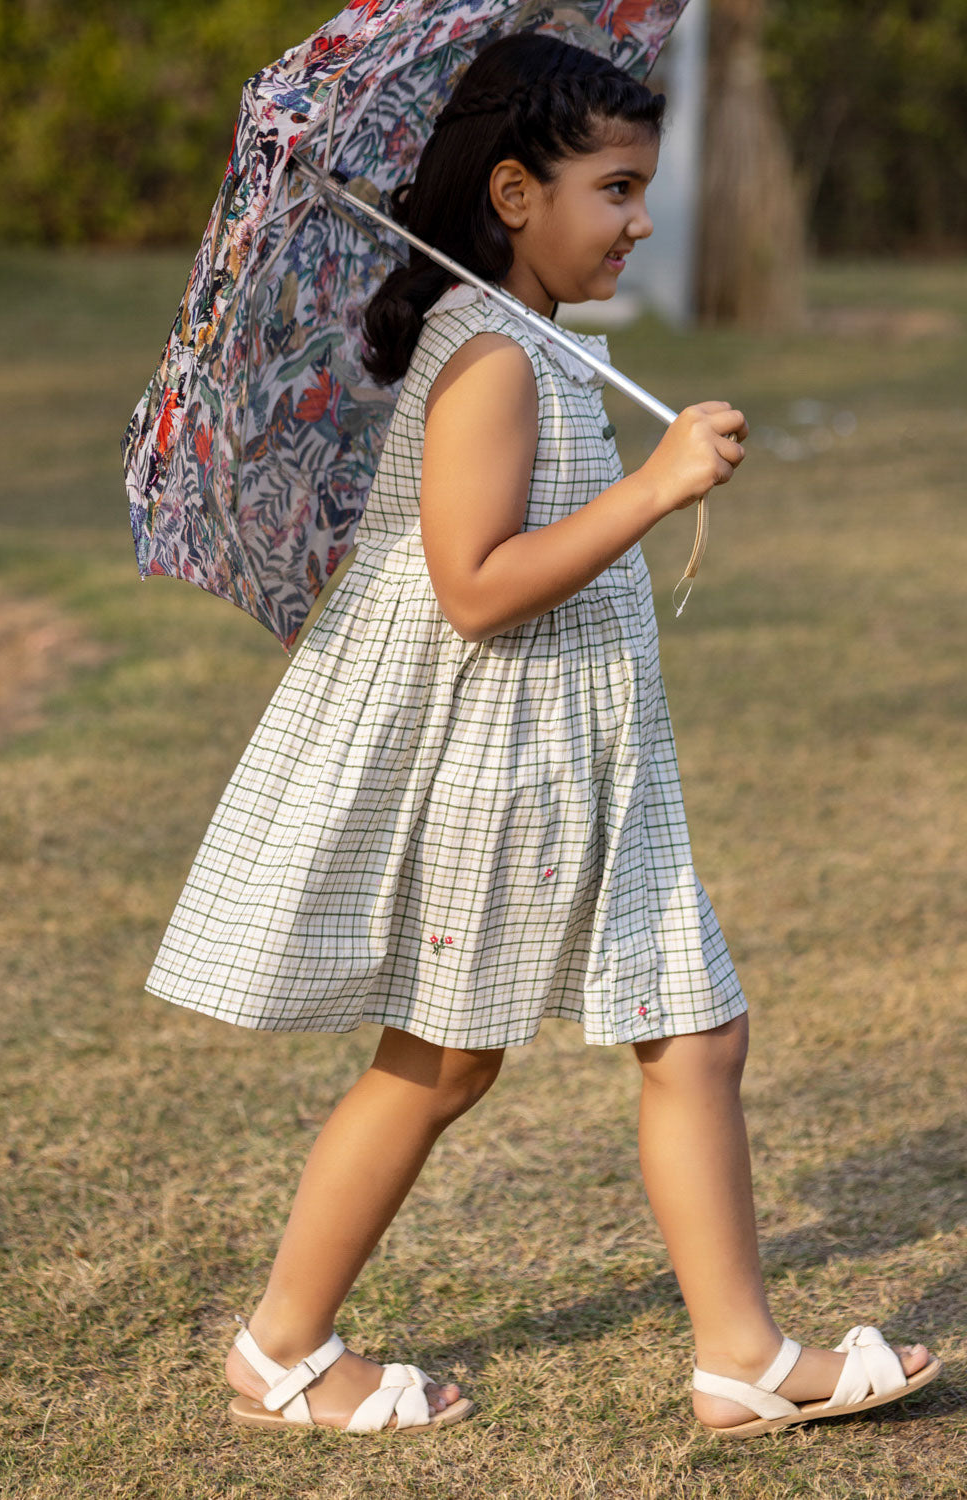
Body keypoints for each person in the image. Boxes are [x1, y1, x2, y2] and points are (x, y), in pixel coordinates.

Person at [145, 34, 941, 1438]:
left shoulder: (533, 345)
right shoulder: (490, 361)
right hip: (502, 761)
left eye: (642, 189)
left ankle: (740, 1356)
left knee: (694, 1032)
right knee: (443, 1061)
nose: (641, 221)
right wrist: (653, 488)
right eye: (616, 190)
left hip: (585, 753)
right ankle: (281, 1346)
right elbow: (474, 587)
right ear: (514, 194)